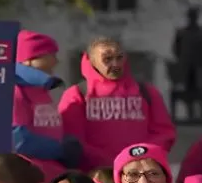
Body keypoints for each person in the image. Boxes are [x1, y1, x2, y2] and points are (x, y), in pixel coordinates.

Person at [57, 37, 177, 171]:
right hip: (95, 174)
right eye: (107, 59)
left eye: (119, 58)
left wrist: (138, 156)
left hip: (140, 172)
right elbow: (73, 140)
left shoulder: (147, 92)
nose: (116, 64)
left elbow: (164, 133)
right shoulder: (77, 95)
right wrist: (108, 162)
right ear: (92, 61)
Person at [12, 30, 80, 183]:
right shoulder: (16, 90)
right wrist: (60, 149)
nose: (56, 61)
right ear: (29, 59)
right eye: (50, 54)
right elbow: (17, 139)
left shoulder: (41, 90)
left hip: (51, 176)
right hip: (28, 178)